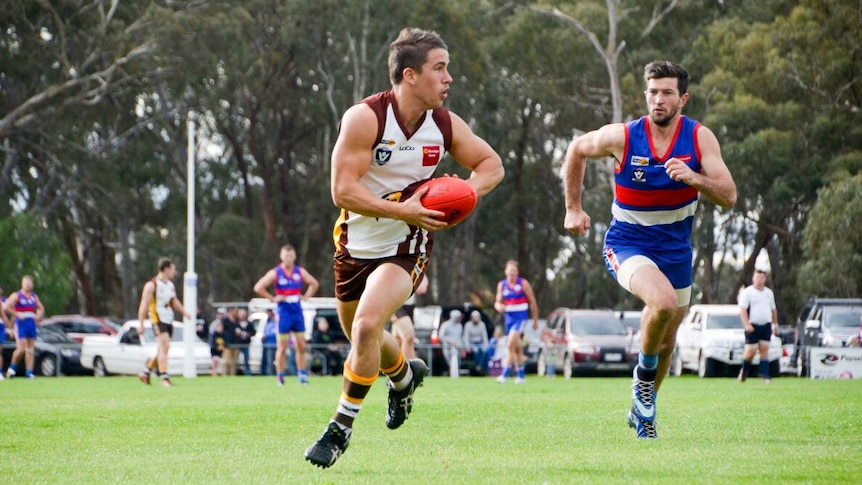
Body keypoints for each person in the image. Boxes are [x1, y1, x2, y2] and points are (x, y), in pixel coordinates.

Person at [304, 27, 504, 469]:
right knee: (362, 332)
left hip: (405, 246)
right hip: (355, 244)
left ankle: (341, 426)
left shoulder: (444, 124)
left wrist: (462, 195)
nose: (449, 78)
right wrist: (405, 210)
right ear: (410, 75)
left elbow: (492, 165)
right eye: (440, 68)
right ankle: (404, 376)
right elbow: (342, 191)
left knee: (368, 326)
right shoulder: (366, 118)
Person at [563, 61, 737, 439]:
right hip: (627, 243)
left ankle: (643, 413)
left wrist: (694, 177)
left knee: (669, 339)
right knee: (660, 303)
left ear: (683, 99)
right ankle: (642, 379)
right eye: (653, 92)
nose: (658, 100)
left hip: (676, 249)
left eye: (667, 93)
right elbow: (576, 149)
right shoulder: (624, 137)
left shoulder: (699, 139)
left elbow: (729, 195)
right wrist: (573, 208)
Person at [254, 244, 320, 386]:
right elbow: (258, 287)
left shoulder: (299, 271)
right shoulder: (276, 272)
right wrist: (273, 298)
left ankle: (302, 376)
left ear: (294, 257)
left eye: (290, 256)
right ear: (281, 256)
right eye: (286, 255)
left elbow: (314, 283)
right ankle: (280, 377)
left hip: (297, 313)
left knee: (301, 346)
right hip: (283, 313)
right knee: (282, 347)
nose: (288, 258)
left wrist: (306, 296)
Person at [136, 258, 192, 387]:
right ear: (166, 268)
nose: (174, 271)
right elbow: (144, 305)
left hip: (168, 319)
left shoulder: (170, 285)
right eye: (173, 268)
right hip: (157, 319)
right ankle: (164, 378)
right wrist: (141, 324)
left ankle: (145, 372)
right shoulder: (152, 285)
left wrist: (185, 312)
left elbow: (173, 301)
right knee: (165, 346)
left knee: (162, 349)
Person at [493, 260, 539, 384]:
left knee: (510, 344)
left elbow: (532, 301)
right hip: (508, 319)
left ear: (517, 272)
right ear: (506, 271)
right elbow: (497, 301)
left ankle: (505, 373)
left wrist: (535, 319)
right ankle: (521, 375)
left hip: (521, 318)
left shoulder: (523, 283)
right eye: (510, 270)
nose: (512, 273)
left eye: (514, 271)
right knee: (517, 348)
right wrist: (498, 306)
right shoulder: (502, 285)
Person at [738, 269, 778, 383]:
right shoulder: (747, 292)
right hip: (753, 325)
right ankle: (743, 372)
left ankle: (765, 376)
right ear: (753, 278)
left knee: (764, 350)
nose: (760, 280)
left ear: (765, 279)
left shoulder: (769, 293)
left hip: (766, 324)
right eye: (757, 277)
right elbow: (743, 309)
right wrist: (747, 324)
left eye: (762, 277)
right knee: (751, 351)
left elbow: (773, 309)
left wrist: (775, 325)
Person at [3, 276, 45, 379]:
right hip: (21, 323)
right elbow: (6, 307)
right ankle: (12, 368)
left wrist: (38, 316)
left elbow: (41, 308)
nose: (28, 285)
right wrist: (16, 314)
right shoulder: (17, 295)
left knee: (30, 349)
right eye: (26, 283)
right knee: (21, 349)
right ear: (22, 284)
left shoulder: (34, 296)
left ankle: (29, 372)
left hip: (31, 323)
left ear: (32, 285)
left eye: (30, 283)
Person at [390, 274, 428, 359]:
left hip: (409, 306)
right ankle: (409, 366)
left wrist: (423, 277)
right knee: (408, 336)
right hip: (396, 305)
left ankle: (389, 367)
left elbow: (422, 289)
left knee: (398, 341)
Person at [438, 309, 464, 378]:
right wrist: (450, 340)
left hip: (457, 348)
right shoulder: (445, 325)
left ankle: (456, 376)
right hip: (447, 347)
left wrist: (462, 348)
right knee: (450, 363)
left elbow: (460, 338)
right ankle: (450, 375)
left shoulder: (460, 326)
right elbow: (441, 336)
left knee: (457, 363)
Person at [462, 310, 490, 374]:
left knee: (484, 352)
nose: (475, 319)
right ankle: (478, 366)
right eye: (474, 317)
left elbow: (484, 336)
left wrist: (486, 346)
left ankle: (482, 368)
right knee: (476, 351)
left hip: (480, 342)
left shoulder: (482, 324)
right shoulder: (468, 325)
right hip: (472, 343)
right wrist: (467, 347)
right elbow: (466, 337)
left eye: (477, 317)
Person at [235, 308, 256, 376]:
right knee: (236, 359)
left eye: (244, 314)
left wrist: (248, 334)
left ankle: (248, 372)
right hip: (237, 344)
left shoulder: (249, 324)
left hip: (246, 344)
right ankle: (236, 372)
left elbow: (253, 332)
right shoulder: (236, 323)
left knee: (246, 359)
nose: (243, 316)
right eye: (241, 314)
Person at [220, 307, 239, 376]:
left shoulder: (237, 320)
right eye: (235, 312)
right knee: (226, 361)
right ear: (231, 311)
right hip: (227, 343)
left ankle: (232, 375)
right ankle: (224, 375)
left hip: (235, 343)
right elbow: (221, 332)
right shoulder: (225, 320)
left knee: (234, 362)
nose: (236, 313)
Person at [260, 309, 278, 376]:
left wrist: (266, 336)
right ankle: (269, 373)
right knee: (268, 361)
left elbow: (274, 332)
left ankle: (273, 374)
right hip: (267, 344)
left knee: (272, 361)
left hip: (273, 344)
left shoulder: (275, 323)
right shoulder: (268, 322)